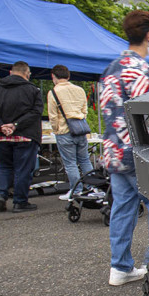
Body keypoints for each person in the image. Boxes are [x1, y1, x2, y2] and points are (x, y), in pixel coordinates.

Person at [100, 9, 149, 286]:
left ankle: (120, 267)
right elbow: (146, 114)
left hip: (113, 148)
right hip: (136, 149)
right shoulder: (139, 69)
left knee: (123, 208)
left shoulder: (111, 68)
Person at [0, 61, 43, 213]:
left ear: (10, 72)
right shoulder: (33, 90)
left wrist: (0, 125)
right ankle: (20, 201)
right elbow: (36, 112)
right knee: (23, 169)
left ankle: (0, 195)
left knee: (3, 166)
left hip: (1, 135)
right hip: (25, 135)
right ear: (27, 73)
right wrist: (16, 125)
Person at [47, 64, 94, 200]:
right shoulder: (79, 90)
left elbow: (53, 116)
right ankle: (93, 187)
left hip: (64, 131)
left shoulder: (53, 92)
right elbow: (85, 110)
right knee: (85, 160)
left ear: (53, 77)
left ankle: (76, 190)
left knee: (70, 163)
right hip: (80, 130)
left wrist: (56, 130)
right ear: (68, 76)